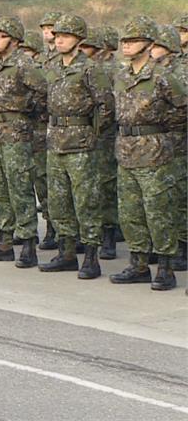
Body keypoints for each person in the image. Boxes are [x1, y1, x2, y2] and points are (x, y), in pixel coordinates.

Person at [109, 16, 187, 290]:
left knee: (157, 210)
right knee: (130, 211)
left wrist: (162, 133)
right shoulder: (120, 75)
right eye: (125, 41)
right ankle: (138, 263)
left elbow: (182, 109)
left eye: (134, 41)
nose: (127, 45)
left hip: (154, 150)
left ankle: (166, 267)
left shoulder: (163, 76)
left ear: (149, 44)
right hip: (126, 150)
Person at [37, 14, 114, 279]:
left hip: (81, 143)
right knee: (59, 201)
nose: (59, 40)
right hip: (56, 141)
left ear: (79, 39)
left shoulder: (90, 68)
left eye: (65, 36)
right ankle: (66, 251)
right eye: (57, 36)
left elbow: (106, 106)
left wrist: (91, 135)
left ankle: (91, 256)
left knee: (86, 201)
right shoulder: (53, 68)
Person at [0, 16, 48, 268]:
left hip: (16, 134)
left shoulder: (24, 64)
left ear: (15, 40)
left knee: (20, 187)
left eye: (1, 36)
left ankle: (28, 242)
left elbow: (44, 92)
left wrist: (28, 114)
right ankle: (4, 241)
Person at [79, 27, 121, 259]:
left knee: (106, 183)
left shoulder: (112, 70)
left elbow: (111, 104)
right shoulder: (86, 69)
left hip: (105, 133)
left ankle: (109, 232)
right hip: (85, 133)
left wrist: (99, 128)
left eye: (86, 47)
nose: (82, 51)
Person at [150, 24, 187, 271]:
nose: (153, 50)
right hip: (160, 144)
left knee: (181, 195)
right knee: (164, 197)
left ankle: (183, 245)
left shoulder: (180, 71)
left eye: (158, 46)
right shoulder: (151, 72)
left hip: (179, 141)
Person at [18, 30, 54, 250]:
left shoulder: (39, 73)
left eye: (27, 51)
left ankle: (53, 227)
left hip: (40, 133)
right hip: (22, 134)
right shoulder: (16, 71)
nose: (23, 55)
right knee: (23, 184)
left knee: (44, 184)